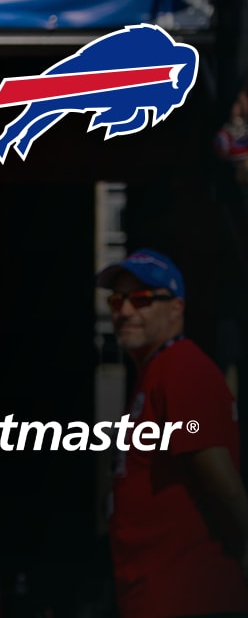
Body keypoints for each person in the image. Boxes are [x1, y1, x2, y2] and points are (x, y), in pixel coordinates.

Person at [96, 249, 248, 617]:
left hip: (189, 597)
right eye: (118, 299)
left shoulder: (181, 369)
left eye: (143, 299)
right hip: (156, 596)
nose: (126, 311)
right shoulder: (156, 372)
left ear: (177, 308)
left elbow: (221, 482)